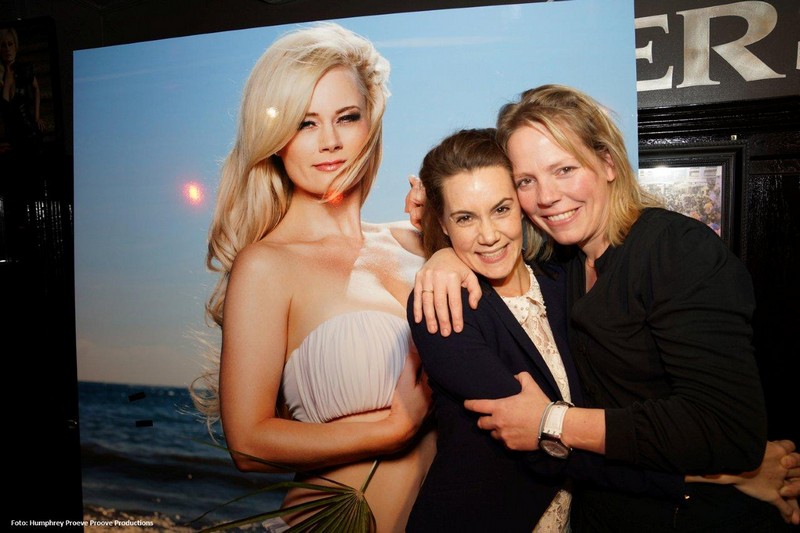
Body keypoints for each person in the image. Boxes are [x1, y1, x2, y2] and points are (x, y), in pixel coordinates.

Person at [407, 85, 800, 530]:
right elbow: (537, 448)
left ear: (609, 163)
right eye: (527, 181)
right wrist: (441, 257)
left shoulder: (654, 254)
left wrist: (552, 421)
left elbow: (723, 425)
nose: (547, 196)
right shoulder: (558, 271)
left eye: (564, 169)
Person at [191, 23, 436, 532]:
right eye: (305, 123)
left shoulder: (419, 243)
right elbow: (249, 444)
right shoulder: (267, 265)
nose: (330, 142)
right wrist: (394, 429)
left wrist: (450, 237)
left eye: (347, 117)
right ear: (276, 141)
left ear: (371, 123)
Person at [406, 128, 689, 532]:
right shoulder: (442, 304)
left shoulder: (565, 282)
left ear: (522, 206)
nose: (489, 235)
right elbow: (541, 445)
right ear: (444, 225)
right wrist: (698, 478)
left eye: (501, 209)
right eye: (465, 218)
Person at [0, 27, 44, 154]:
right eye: (3, 45)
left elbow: (36, 89)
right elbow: (4, 109)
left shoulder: (25, 69)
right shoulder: (1, 75)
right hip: (11, 137)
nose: (7, 49)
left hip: (28, 130)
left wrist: (37, 117)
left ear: (16, 47)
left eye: (10, 44)